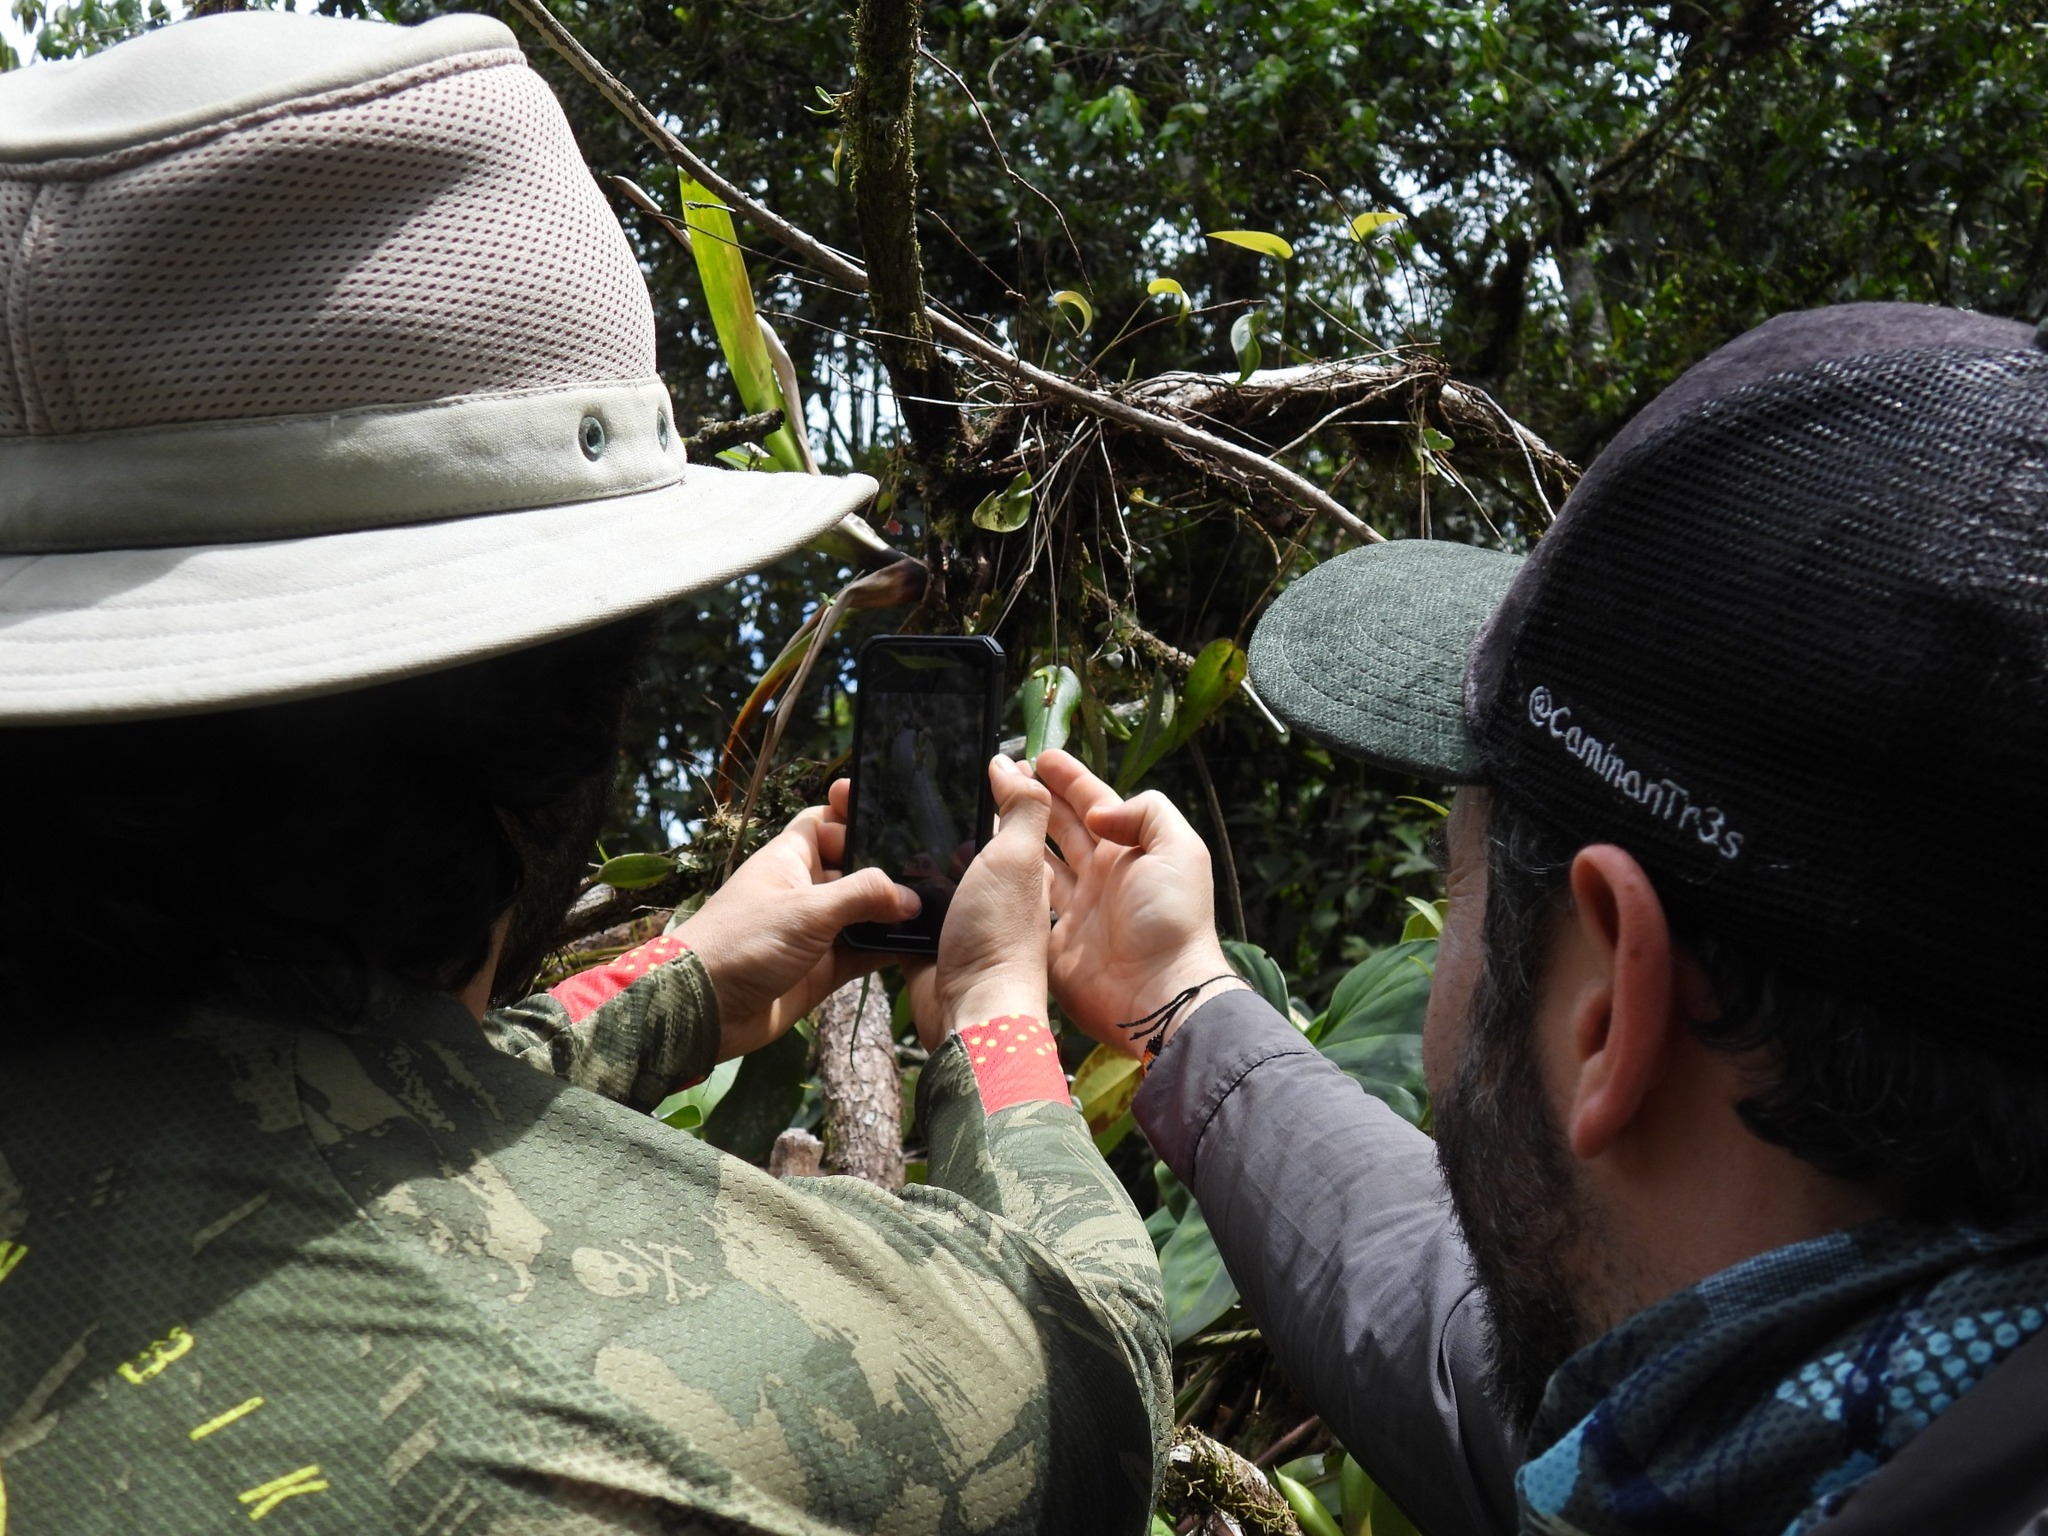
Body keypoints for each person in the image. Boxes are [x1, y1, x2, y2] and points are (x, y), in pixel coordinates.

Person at [0, 13, 1168, 1533]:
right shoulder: (602, 1382)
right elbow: (1089, 1357)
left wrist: (686, 975)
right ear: (554, 745)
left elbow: (281, 1115)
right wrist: (998, 1003)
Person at [1035, 304, 2048, 1536]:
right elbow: (1460, 1357)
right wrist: (1180, 998)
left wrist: (991, 1038)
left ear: (1610, 1007)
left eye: (1454, 886)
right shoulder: (1752, 1433)